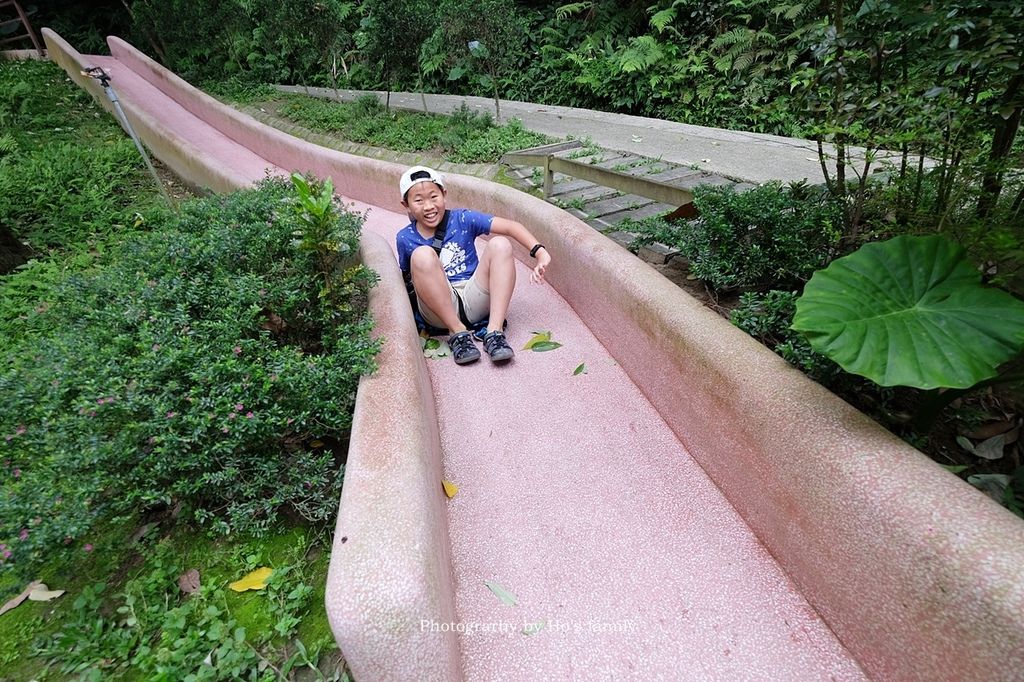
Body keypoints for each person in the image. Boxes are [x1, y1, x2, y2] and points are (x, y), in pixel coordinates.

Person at [395, 166, 552, 365]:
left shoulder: (462, 218)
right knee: (422, 255)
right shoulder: (405, 238)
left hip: (474, 296)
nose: (428, 206)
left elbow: (510, 227)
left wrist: (540, 252)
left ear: (444, 194)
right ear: (406, 204)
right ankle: (457, 333)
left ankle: (494, 332)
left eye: (433, 197)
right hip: (438, 311)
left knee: (501, 244)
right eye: (418, 200)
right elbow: (407, 280)